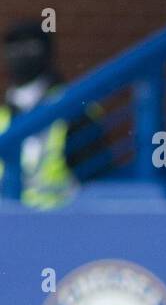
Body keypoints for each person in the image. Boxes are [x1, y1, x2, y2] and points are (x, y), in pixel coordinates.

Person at [0, 20, 104, 208]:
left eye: (30, 47)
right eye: (13, 48)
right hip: (8, 224)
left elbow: (97, 178)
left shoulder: (73, 109)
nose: (19, 55)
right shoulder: (4, 114)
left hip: (61, 223)